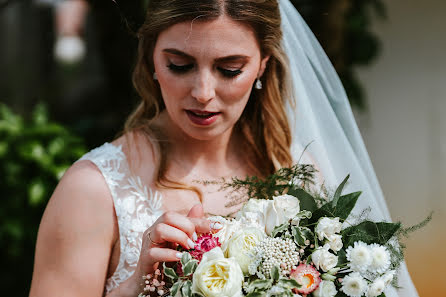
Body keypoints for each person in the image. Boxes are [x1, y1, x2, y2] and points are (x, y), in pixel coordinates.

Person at [29, 0, 419, 296]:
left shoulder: (300, 172)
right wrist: (136, 285)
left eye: (230, 69)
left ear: (263, 64)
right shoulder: (92, 191)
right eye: (179, 65)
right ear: (151, 56)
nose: (202, 93)